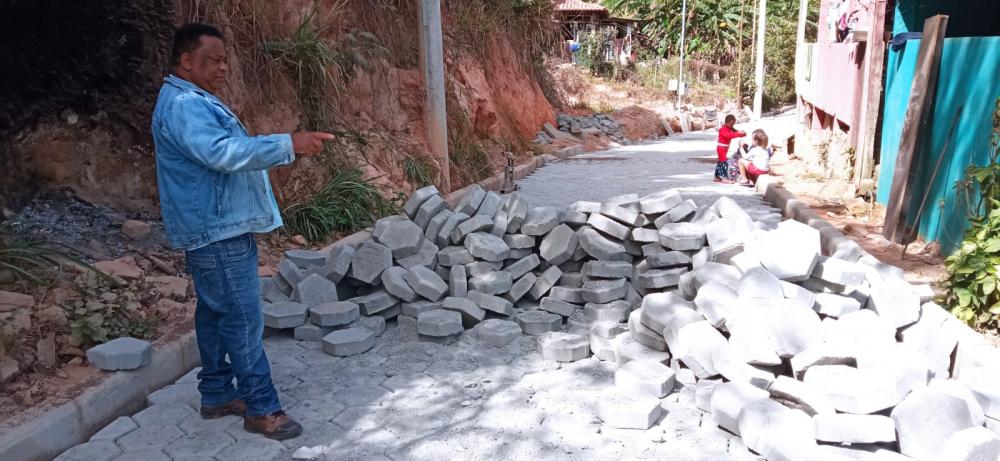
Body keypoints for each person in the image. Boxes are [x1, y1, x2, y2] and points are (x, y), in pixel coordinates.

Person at [152, 23, 335, 440]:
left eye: (224, 60)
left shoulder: (188, 99)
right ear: (187, 60)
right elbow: (223, 153)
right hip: (217, 230)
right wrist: (288, 143)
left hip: (214, 225)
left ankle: (217, 393)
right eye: (214, 60)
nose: (223, 68)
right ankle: (262, 408)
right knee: (242, 318)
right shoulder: (185, 105)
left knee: (215, 313)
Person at [715, 114, 746, 183]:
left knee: (720, 162)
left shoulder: (729, 128)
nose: (732, 126)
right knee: (724, 162)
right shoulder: (723, 129)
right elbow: (729, 135)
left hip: (724, 148)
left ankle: (717, 177)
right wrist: (739, 134)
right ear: (728, 122)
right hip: (721, 148)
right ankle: (724, 177)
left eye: (733, 124)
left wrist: (742, 133)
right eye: (732, 124)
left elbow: (735, 132)